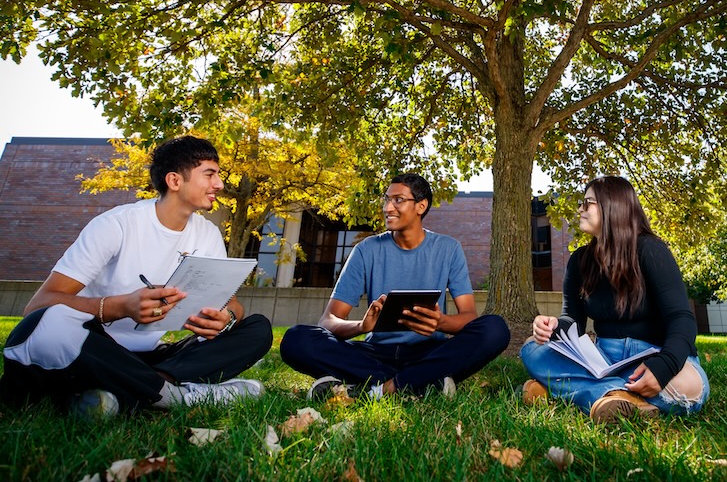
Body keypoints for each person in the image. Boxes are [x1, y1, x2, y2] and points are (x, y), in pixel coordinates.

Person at [0, 136, 272, 415]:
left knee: (257, 329)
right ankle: (175, 397)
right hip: (93, 348)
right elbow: (38, 306)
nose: (219, 184)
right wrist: (121, 307)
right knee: (48, 325)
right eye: (209, 174)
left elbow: (232, 304)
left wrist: (226, 318)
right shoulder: (115, 225)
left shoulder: (208, 233)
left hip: (151, 360)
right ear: (175, 181)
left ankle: (127, 391)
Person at [280, 173, 510, 399]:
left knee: (495, 328)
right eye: (387, 200)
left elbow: (469, 316)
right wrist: (361, 326)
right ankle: (422, 382)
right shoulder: (366, 250)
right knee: (296, 339)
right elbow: (328, 321)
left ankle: (376, 388)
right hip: (374, 355)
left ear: (421, 206)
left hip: (430, 352)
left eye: (398, 200)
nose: (388, 208)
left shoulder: (448, 248)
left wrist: (441, 322)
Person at [520, 176, 709, 423]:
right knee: (531, 348)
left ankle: (563, 390)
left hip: (653, 357)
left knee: (690, 391)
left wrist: (664, 367)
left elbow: (681, 319)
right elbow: (572, 321)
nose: (580, 209)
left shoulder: (651, 250)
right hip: (602, 358)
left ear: (613, 206)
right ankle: (616, 396)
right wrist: (554, 326)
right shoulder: (579, 261)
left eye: (588, 203)